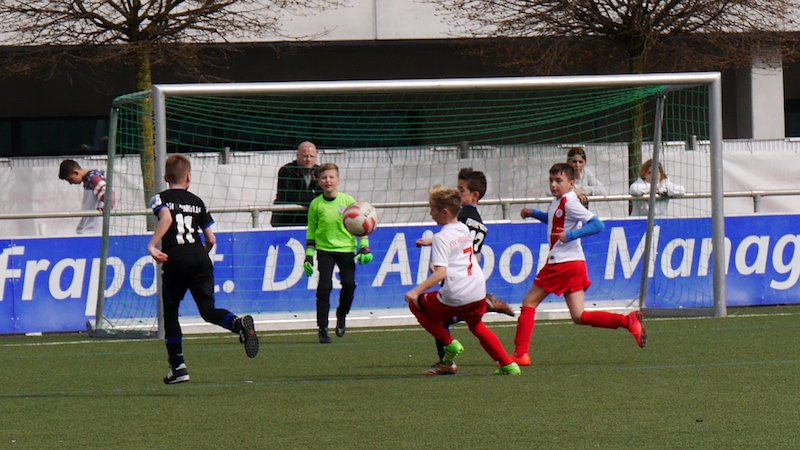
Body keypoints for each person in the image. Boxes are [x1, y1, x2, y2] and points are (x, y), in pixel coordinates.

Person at [511, 163, 646, 367]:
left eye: (559, 181)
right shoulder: (559, 201)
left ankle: (520, 354)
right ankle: (628, 321)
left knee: (529, 302)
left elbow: (598, 224)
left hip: (561, 263)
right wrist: (533, 213)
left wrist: (571, 235)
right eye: (551, 180)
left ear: (571, 183)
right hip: (575, 264)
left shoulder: (570, 202)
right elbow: (554, 220)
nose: (553, 185)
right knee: (579, 316)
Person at [147, 154, 259, 384]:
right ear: (189, 177)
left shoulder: (160, 198)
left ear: (165, 177)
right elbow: (211, 239)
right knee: (208, 310)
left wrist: (152, 245)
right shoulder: (197, 201)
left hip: (175, 260)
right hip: (200, 259)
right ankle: (237, 324)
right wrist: (199, 255)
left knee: (171, 312)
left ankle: (178, 367)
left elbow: (166, 219)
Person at [406, 185, 521, 376]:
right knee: (477, 326)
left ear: (444, 212)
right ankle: (508, 365)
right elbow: (454, 241)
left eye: (432, 209)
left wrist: (415, 291)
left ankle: (449, 344)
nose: (430, 213)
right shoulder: (463, 228)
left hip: (456, 294)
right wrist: (430, 241)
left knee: (415, 305)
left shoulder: (441, 237)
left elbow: (440, 273)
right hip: (477, 290)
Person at [304, 163, 373, 344]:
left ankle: (342, 314)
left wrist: (364, 246)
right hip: (325, 250)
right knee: (324, 287)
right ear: (318, 181)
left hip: (346, 250)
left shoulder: (348, 201)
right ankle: (322, 328)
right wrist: (309, 254)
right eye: (324, 178)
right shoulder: (316, 204)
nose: (328, 181)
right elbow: (311, 230)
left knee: (349, 285)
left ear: (338, 180)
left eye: (331, 177)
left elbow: (361, 223)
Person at [58, 159, 115, 234]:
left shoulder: (93, 178)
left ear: (76, 172)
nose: (71, 183)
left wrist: (107, 207)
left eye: (70, 180)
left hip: (92, 230)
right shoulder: (89, 179)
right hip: (89, 227)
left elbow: (109, 193)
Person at [271, 141, 320, 227]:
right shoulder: (286, 170)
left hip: (310, 221)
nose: (308, 159)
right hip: (286, 221)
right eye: (305, 156)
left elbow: (324, 193)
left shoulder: (320, 171)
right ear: (297, 156)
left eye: (312, 156)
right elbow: (291, 195)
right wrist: (317, 200)